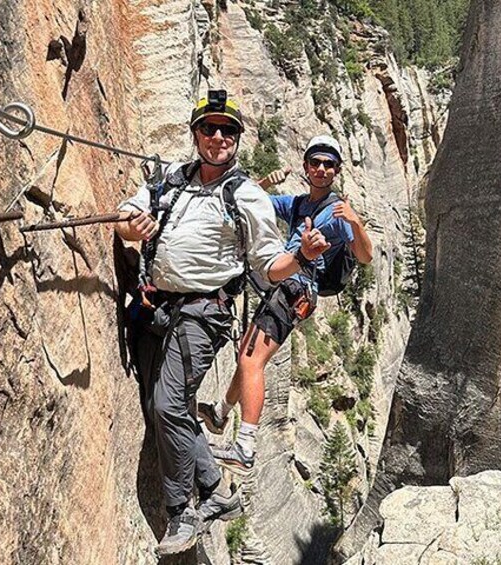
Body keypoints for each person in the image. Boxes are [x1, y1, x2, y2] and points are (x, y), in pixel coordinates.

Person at [115, 92, 330, 555]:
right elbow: (125, 219)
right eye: (209, 128)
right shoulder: (169, 178)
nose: (218, 137)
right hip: (155, 306)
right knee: (163, 408)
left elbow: (268, 265)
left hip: (203, 313)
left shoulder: (247, 195)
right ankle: (214, 488)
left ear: (237, 139)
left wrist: (301, 257)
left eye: (227, 131)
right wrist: (136, 226)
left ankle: (181, 511)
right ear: (195, 134)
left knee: (167, 403)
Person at [201, 135, 374, 474]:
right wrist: (266, 181)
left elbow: (365, 256)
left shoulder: (339, 213)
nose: (321, 169)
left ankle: (245, 447)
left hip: (296, 289)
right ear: (307, 167)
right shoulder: (297, 204)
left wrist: (354, 222)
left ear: (336, 171)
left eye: (328, 165)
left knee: (251, 360)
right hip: (283, 285)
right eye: (315, 163)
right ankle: (220, 414)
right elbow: (254, 199)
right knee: (248, 354)